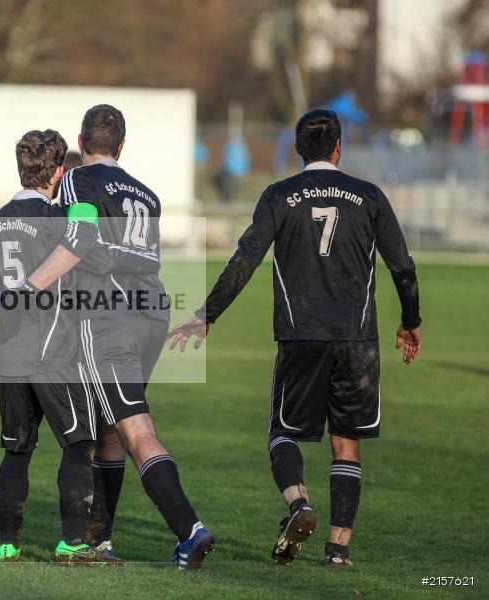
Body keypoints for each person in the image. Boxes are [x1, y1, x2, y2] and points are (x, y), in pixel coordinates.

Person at [168, 109, 422, 568]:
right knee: (346, 443)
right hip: (357, 341)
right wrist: (411, 319)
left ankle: (298, 505)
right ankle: (338, 550)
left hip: (300, 337)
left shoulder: (278, 196)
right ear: (339, 147)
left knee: (282, 432)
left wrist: (207, 316)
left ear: (298, 150)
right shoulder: (369, 197)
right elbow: (402, 266)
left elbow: (244, 260)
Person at [24, 105, 215, 571]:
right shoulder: (146, 194)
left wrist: (31, 287)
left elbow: (82, 236)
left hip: (109, 315)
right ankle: (101, 539)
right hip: (152, 312)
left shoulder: (78, 179)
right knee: (112, 424)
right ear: (122, 146)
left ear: (81, 142)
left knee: (134, 429)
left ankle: (190, 530)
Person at [0, 129, 158, 563]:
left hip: (10, 355)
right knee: (79, 444)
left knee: (16, 449)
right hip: (57, 354)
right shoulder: (63, 221)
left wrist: (13, 298)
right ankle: (73, 541)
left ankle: (7, 544)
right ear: (59, 171)